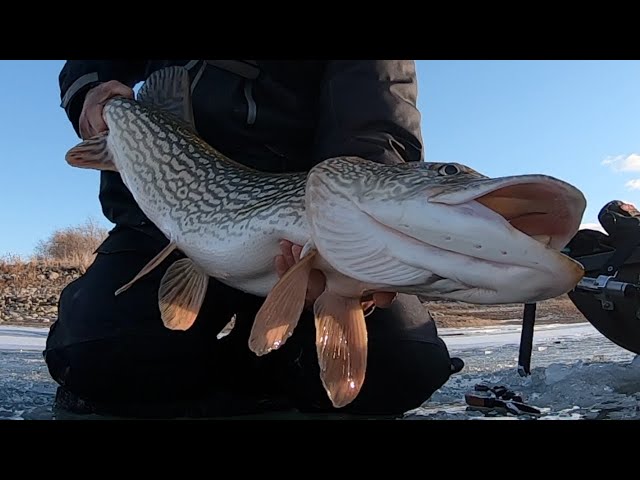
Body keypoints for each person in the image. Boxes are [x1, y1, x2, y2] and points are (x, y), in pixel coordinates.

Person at [45, 60, 464, 418]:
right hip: (165, 227)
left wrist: (360, 243)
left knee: (400, 365)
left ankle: (261, 363)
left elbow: (376, 121)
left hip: (300, 226)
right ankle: (223, 366)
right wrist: (90, 93)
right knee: (98, 350)